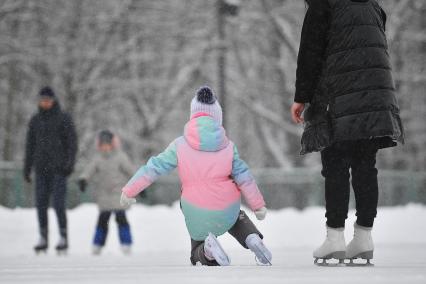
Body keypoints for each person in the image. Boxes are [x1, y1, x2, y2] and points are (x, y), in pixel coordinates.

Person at [291, 0, 404, 265]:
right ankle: (364, 237)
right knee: (366, 164)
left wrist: (302, 97)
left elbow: (310, 51)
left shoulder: (324, 4)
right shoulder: (372, 5)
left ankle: (335, 238)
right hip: (375, 95)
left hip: (340, 92)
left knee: (336, 162)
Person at [120, 86, 272, 266]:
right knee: (234, 216)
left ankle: (206, 250)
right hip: (227, 206)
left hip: (196, 208)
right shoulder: (229, 146)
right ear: (218, 117)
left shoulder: (179, 145)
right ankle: (251, 237)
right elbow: (245, 177)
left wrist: (129, 191)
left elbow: (154, 167)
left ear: (193, 115)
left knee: (196, 251)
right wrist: (258, 205)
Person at [24, 86, 78, 254]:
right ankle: (43, 237)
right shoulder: (35, 120)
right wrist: (27, 167)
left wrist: (69, 164)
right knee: (40, 204)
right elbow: (30, 146)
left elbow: (72, 144)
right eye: (42, 100)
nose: (45, 102)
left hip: (58, 169)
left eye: (48, 99)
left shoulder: (63, 118)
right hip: (41, 169)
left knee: (58, 204)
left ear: (53, 100)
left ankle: (63, 237)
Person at [78, 130, 135, 255]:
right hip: (103, 194)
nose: (105, 147)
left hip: (118, 194)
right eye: (102, 144)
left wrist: (139, 185)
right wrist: (83, 179)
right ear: (99, 145)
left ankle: (126, 243)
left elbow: (131, 171)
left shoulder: (120, 157)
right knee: (103, 220)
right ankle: (97, 245)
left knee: (121, 219)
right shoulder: (97, 158)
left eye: (107, 144)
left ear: (112, 144)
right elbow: (89, 170)